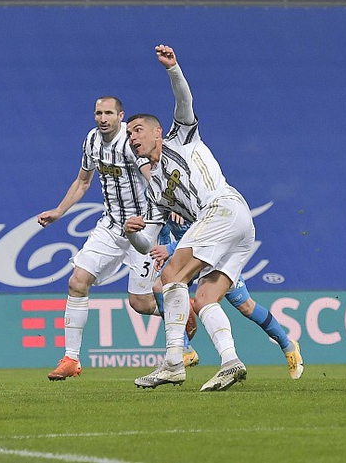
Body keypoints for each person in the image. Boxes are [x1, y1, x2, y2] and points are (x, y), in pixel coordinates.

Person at [124, 44, 256, 392]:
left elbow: (184, 100)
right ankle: (231, 361)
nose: (133, 137)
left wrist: (173, 68)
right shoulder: (155, 190)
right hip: (236, 224)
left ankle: (172, 363)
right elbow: (146, 243)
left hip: (222, 207)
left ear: (156, 132)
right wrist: (131, 232)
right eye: (129, 134)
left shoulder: (179, 139)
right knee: (207, 297)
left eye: (137, 130)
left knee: (171, 275)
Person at [38, 96, 164, 381]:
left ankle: (179, 310)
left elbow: (153, 178)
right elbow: (83, 181)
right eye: (98, 113)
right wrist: (59, 211)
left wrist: (164, 211)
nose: (102, 118)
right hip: (111, 225)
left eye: (108, 113)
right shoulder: (92, 140)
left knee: (141, 304)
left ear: (120, 116)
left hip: (142, 227)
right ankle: (71, 358)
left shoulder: (130, 143)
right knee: (77, 281)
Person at [153, 220, 304, 379]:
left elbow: (209, 233)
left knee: (246, 306)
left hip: (217, 256)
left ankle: (288, 346)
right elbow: (164, 234)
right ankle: (185, 349)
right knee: (159, 287)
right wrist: (165, 256)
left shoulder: (196, 207)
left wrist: (170, 248)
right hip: (190, 258)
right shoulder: (165, 209)